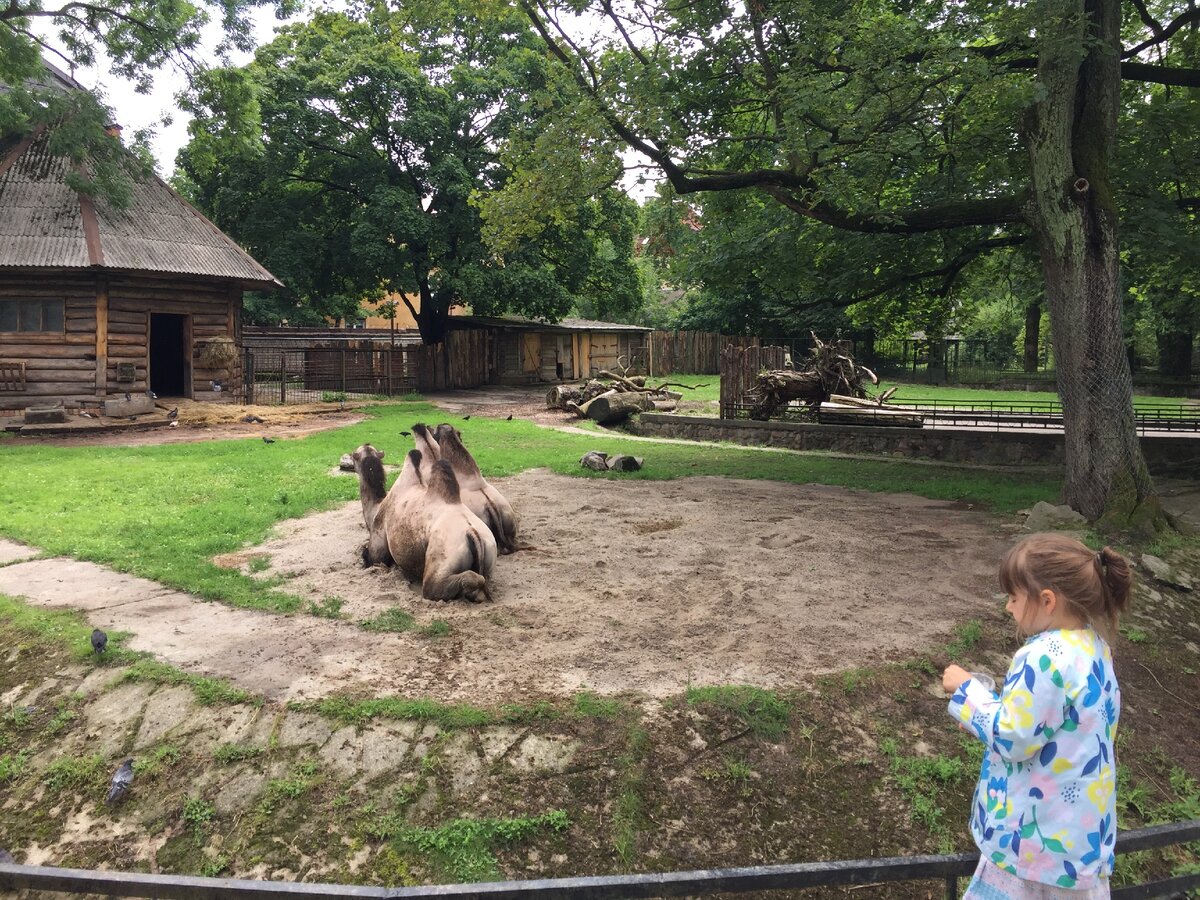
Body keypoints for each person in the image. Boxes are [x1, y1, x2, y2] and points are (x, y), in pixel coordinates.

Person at [943, 533, 1133, 899]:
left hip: (1032, 845)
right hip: (1079, 843)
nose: (1008, 608)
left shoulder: (1043, 657)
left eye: (1014, 597)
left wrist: (967, 691)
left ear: (1047, 601)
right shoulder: (1095, 648)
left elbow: (1013, 737)